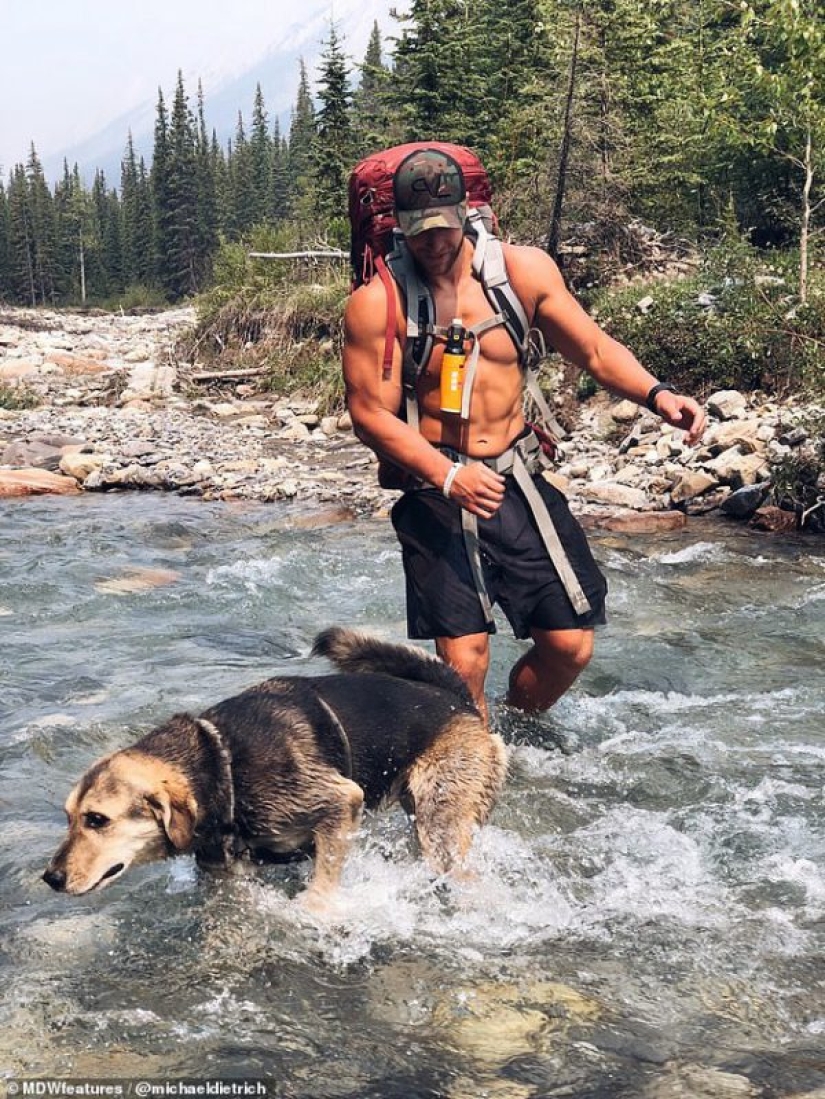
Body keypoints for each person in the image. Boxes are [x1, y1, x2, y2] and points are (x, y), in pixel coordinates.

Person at [342, 147, 706, 723]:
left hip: (515, 478)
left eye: (443, 229)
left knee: (570, 645)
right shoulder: (377, 306)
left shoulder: (523, 272)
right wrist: (447, 474)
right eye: (419, 234)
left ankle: (516, 732)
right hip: (435, 487)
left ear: (466, 214)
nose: (434, 245)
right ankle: (472, 771)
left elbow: (591, 349)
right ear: (401, 230)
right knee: (463, 670)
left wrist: (658, 396)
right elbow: (370, 414)